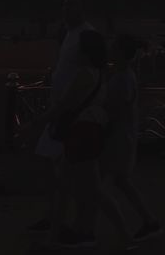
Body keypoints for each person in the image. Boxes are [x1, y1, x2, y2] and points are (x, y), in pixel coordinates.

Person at [44, 29, 132, 249]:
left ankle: (55, 239)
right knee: (86, 189)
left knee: (71, 189)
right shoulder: (101, 73)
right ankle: (119, 236)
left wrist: (35, 123)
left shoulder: (84, 74)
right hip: (90, 134)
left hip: (80, 134)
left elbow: (64, 106)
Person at [26, 0, 95, 234]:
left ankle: (65, 221)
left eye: (71, 7)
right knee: (51, 162)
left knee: (68, 171)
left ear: (81, 10)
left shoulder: (85, 35)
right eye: (64, 7)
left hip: (71, 112)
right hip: (61, 108)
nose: (66, 11)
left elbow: (88, 71)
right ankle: (55, 216)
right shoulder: (69, 33)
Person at [101, 35, 163, 242]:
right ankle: (149, 220)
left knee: (99, 185)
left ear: (119, 53)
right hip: (121, 136)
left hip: (117, 138)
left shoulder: (122, 78)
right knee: (120, 181)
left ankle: (88, 228)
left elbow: (115, 109)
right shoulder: (124, 75)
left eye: (113, 48)